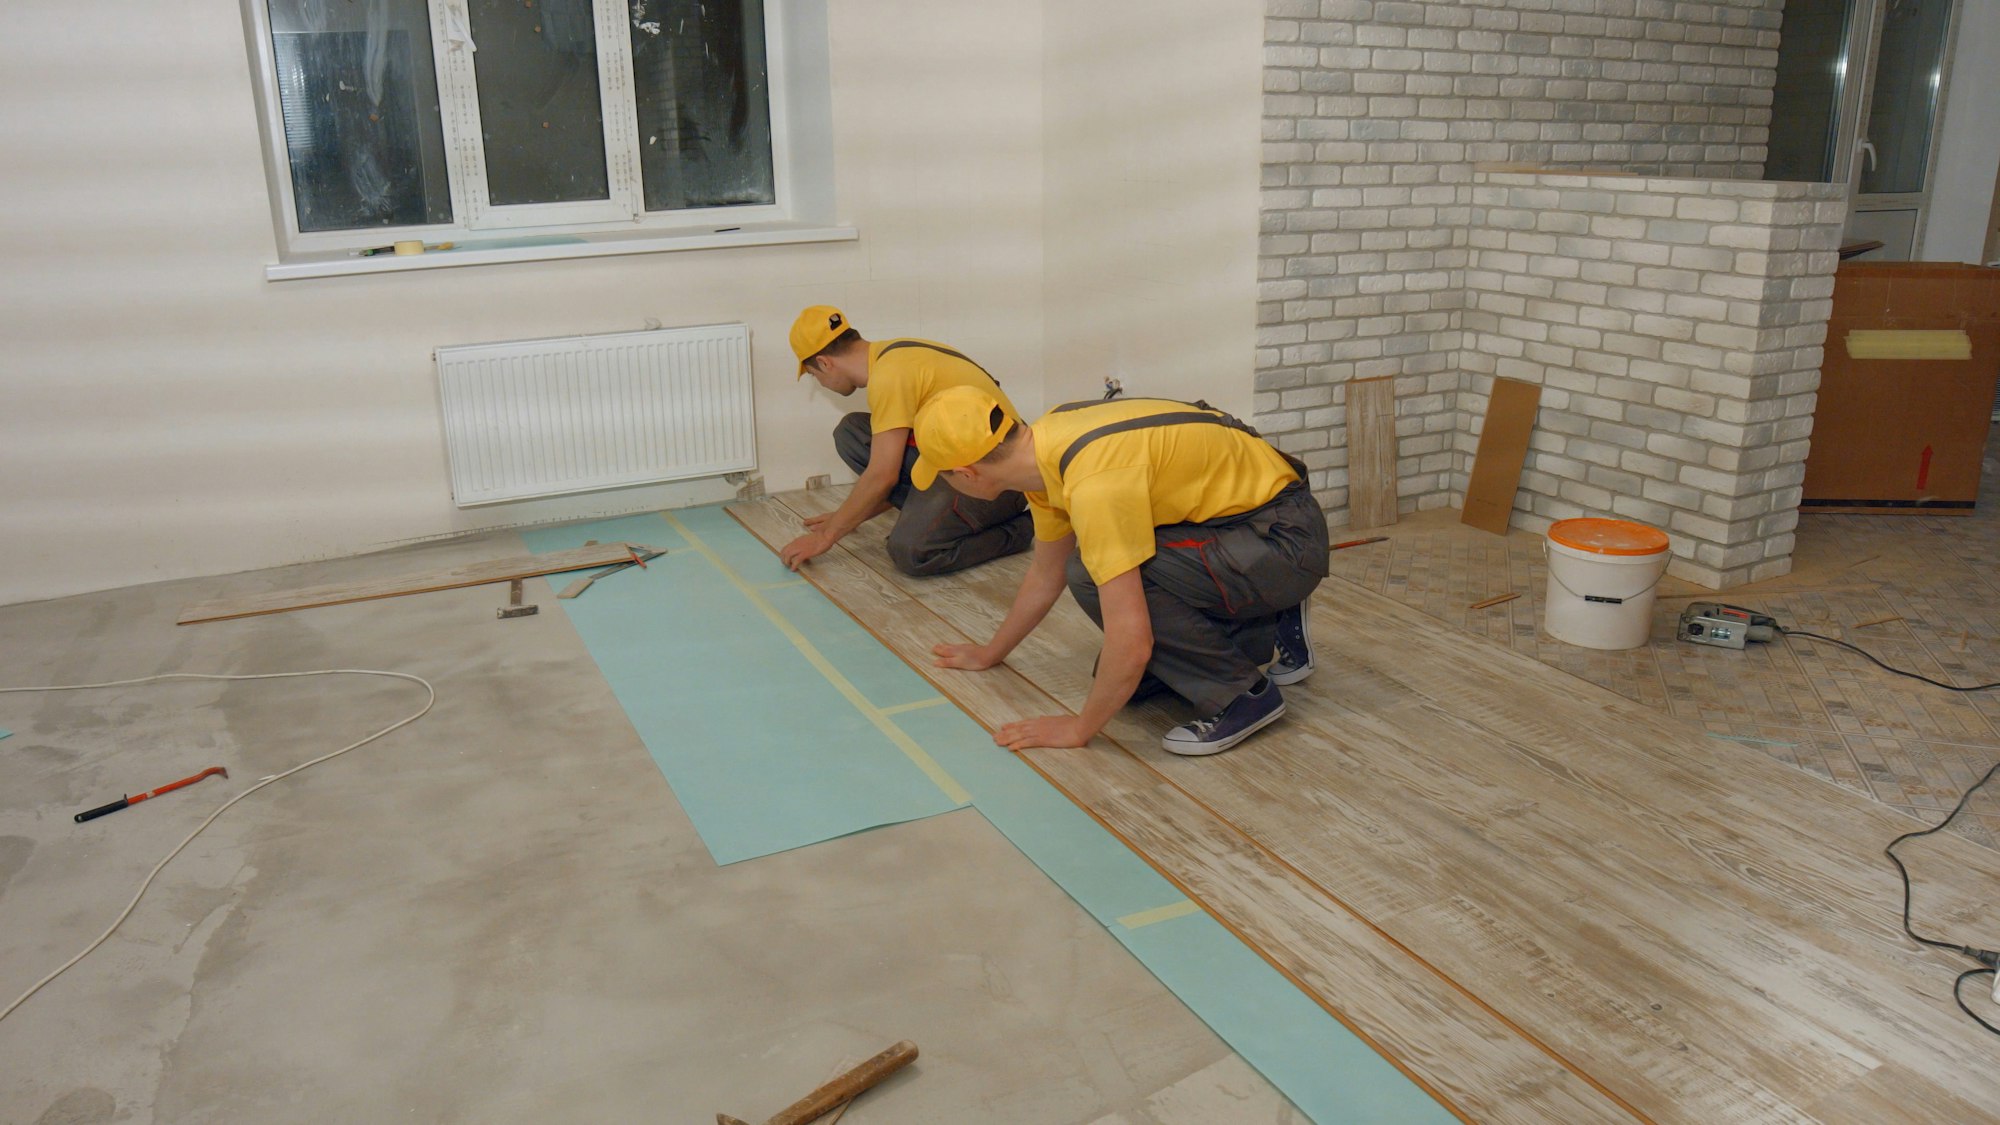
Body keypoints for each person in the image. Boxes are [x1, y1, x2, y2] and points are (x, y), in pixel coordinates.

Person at [914, 387, 1330, 755]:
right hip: (1237, 526)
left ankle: (1244, 696)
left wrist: (1079, 728)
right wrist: (992, 652)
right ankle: (1260, 624)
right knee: (1119, 676)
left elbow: (1132, 643)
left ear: (967, 473)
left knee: (1096, 581)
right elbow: (1046, 573)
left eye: (943, 476)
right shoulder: (1045, 449)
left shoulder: (1093, 480)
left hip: (1282, 541)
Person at [780, 306, 1035, 576]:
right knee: (852, 432)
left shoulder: (889, 376)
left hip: (998, 480)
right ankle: (926, 513)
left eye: (814, 374)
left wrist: (825, 537)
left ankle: (1019, 530)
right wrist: (847, 516)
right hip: (957, 461)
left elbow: (883, 475)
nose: (819, 382)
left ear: (825, 362)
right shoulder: (894, 355)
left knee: (912, 552)